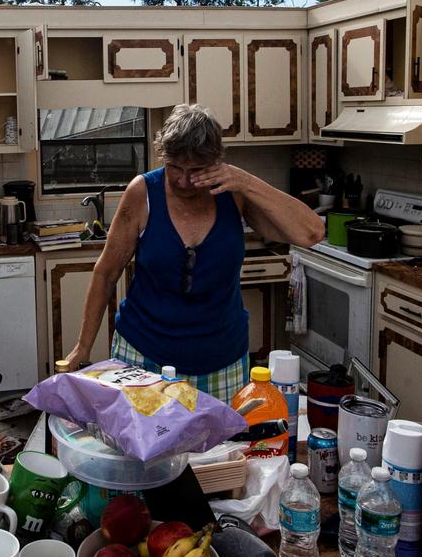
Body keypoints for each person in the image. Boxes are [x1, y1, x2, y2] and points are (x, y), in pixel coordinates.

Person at [66, 104, 325, 403]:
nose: (184, 181)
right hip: (143, 355)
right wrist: (82, 347)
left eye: (196, 170)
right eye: (175, 167)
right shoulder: (142, 193)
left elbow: (311, 233)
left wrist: (246, 181)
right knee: (143, 447)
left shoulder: (234, 193)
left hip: (221, 361)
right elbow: (106, 272)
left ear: (216, 162)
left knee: (219, 449)